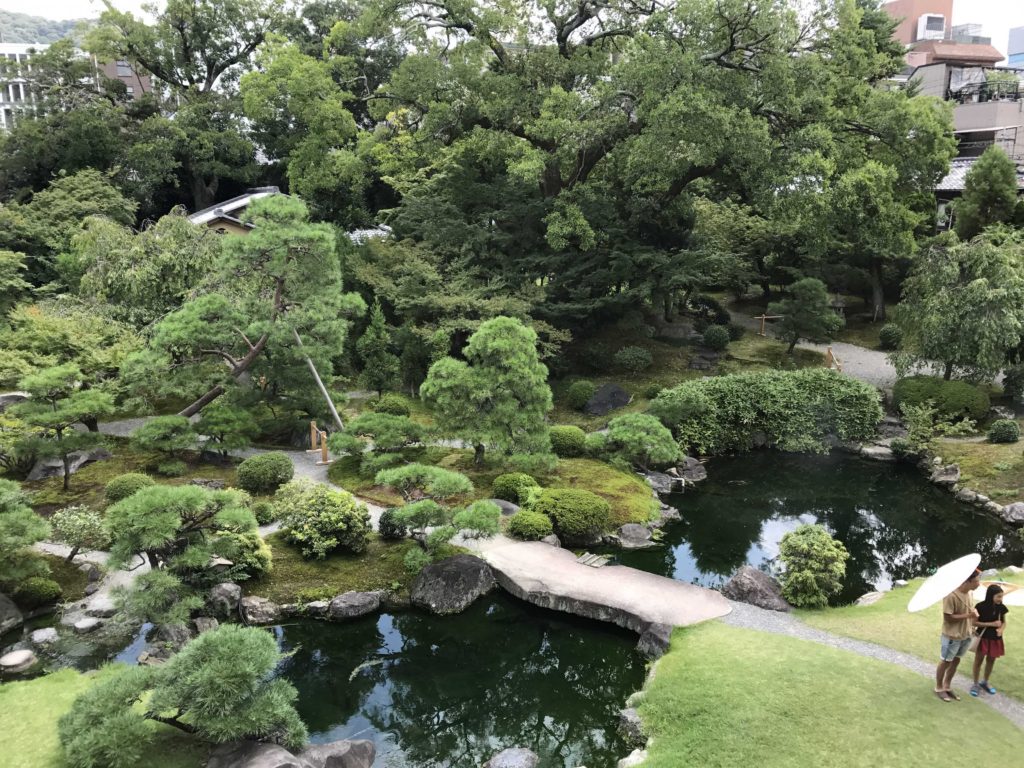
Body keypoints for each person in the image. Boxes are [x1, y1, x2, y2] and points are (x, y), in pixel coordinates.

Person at [935, 568, 981, 702]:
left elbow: (970, 612)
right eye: (977, 581)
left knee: (956, 660)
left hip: (966, 635)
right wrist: (969, 615)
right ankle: (938, 687)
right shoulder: (951, 595)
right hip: (952, 636)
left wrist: (973, 620)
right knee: (945, 661)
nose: (979, 584)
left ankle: (947, 686)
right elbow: (948, 618)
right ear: (968, 581)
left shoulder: (970, 593)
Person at [971, 584, 1009, 697]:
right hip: (983, 637)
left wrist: (1001, 629)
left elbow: (1004, 622)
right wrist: (991, 624)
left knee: (991, 660)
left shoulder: (1001, 607)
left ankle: (985, 682)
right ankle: (975, 684)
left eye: (1001, 596)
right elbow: (974, 622)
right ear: (991, 595)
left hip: (995, 638)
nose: (1000, 599)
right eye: (998, 596)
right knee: (978, 661)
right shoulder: (980, 606)